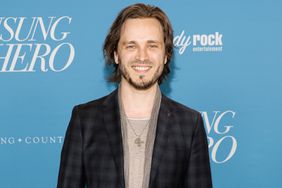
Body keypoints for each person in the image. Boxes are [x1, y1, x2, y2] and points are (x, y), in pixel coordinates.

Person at [57, 3, 212, 188]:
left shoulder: (189, 124)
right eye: (131, 46)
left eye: (152, 45)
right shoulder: (85, 120)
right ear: (116, 54)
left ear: (165, 55)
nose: (142, 56)